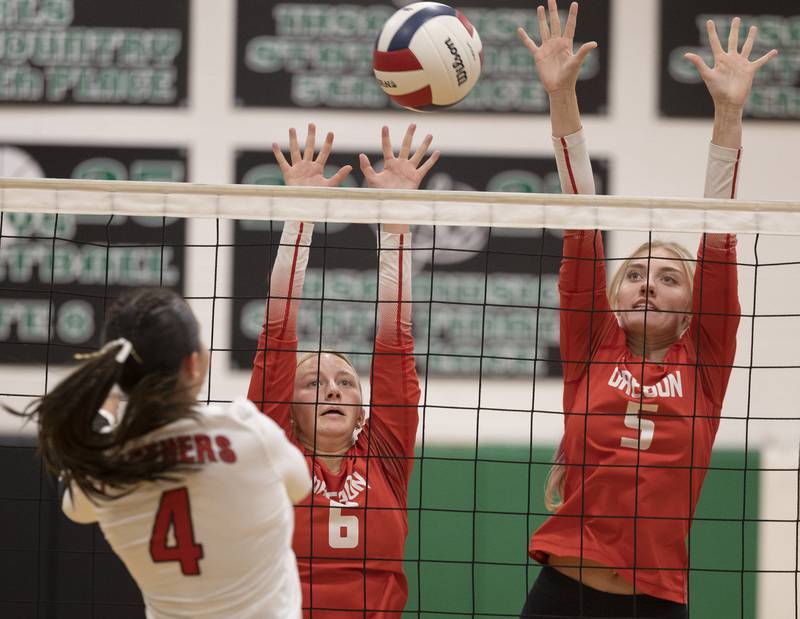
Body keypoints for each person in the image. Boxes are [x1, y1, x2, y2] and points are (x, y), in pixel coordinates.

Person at [516, 2, 777, 617]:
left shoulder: (704, 362)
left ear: (692, 307)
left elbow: (719, 231)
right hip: (562, 598)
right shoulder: (593, 348)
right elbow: (582, 219)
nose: (647, 285)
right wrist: (562, 97)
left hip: (654, 602)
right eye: (634, 274)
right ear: (613, 296)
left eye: (667, 277)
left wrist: (730, 112)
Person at [15, 287, 310, 619]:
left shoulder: (104, 465)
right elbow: (300, 486)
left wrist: (102, 419)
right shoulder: (247, 432)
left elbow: (74, 504)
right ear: (193, 364)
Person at [247, 123, 439, 618]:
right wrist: (301, 219)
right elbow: (277, 339)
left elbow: (396, 343)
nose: (332, 390)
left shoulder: (385, 456)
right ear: (286, 407)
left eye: (346, 383)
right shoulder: (277, 451)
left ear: (362, 409)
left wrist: (395, 222)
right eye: (313, 383)